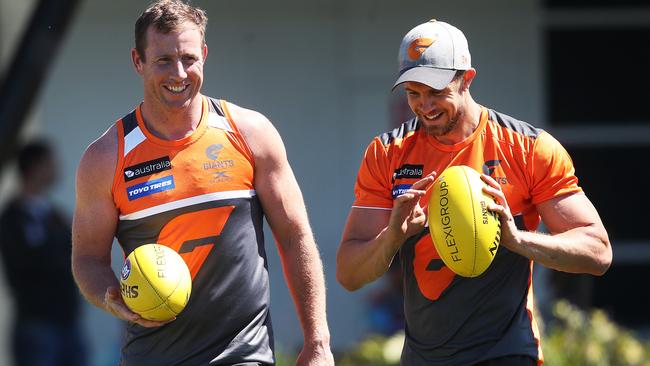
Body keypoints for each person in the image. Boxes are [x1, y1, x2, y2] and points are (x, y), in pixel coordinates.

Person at [336, 19, 612, 365]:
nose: (425, 105)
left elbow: (598, 252)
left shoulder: (529, 148)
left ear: (466, 79)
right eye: (413, 93)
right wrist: (393, 236)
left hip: (506, 352)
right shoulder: (387, 154)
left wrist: (517, 240)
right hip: (423, 357)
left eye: (436, 91)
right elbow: (348, 273)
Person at [71, 1, 334, 365]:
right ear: (138, 61)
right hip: (153, 356)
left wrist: (317, 342)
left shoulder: (250, 133)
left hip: (244, 354)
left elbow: (295, 235)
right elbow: (87, 259)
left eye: (189, 58)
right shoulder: (106, 158)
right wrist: (110, 296)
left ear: (205, 55)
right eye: (163, 60)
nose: (179, 73)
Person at [0, 139, 87, 366]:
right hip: (37, 323)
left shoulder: (54, 215)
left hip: (67, 322)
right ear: (35, 166)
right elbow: (29, 264)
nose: (57, 168)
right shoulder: (14, 216)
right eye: (50, 162)